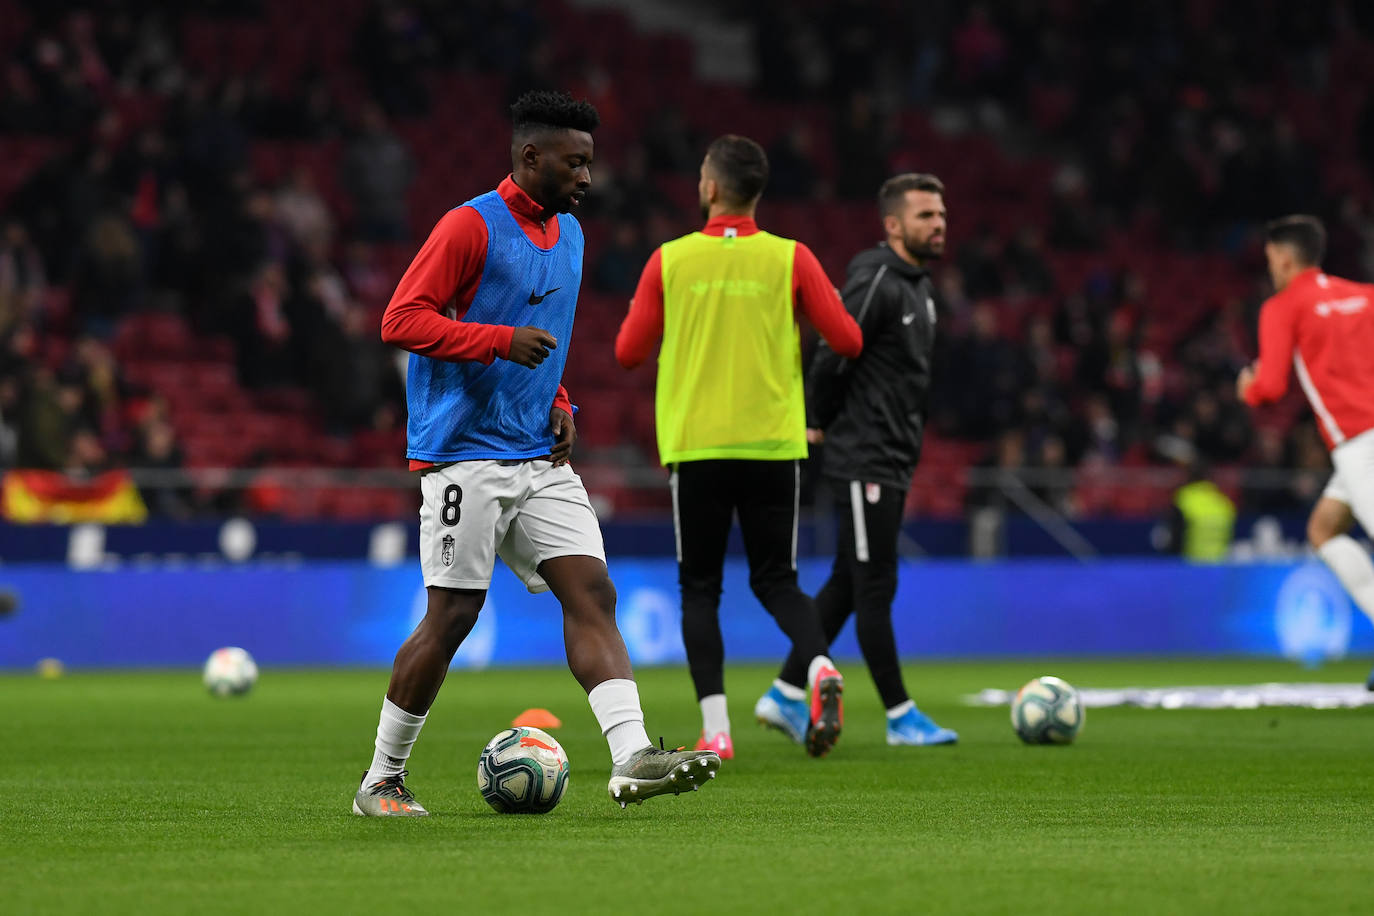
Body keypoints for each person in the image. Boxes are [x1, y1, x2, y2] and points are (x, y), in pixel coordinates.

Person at [354, 91, 721, 817]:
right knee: (452, 616)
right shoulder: (470, 226)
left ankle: (631, 757)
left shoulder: (573, 235)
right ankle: (381, 780)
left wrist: (558, 403)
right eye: (574, 161)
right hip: (465, 455)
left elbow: (542, 334)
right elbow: (401, 318)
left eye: (590, 161)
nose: (587, 176)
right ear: (531, 156)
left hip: (537, 455)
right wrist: (495, 341)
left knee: (592, 592)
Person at [616, 134, 863, 759]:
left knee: (700, 589)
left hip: (698, 445)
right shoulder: (791, 259)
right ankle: (819, 668)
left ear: (710, 187)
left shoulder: (670, 260)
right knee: (777, 580)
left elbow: (627, 352)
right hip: (772, 446)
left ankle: (716, 731)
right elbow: (848, 339)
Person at [784, 172, 959, 747]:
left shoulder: (919, 287)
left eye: (940, 214)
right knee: (875, 583)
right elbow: (834, 345)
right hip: (864, 455)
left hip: (891, 455)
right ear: (893, 224)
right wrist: (816, 419)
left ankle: (785, 694)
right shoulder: (878, 277)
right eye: (926, 215)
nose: (939, 224)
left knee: (845, 580)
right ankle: (900, 713)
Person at [1238, 215, 1374, 688]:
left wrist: (1247, 388)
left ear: (1285, 257)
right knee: (1323, 528)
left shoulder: (1282, 307)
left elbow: (1271, 386)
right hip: (1361, 445)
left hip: (1361, 444)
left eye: (1271, 260)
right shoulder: (1366, 296)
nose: (1271, 268)